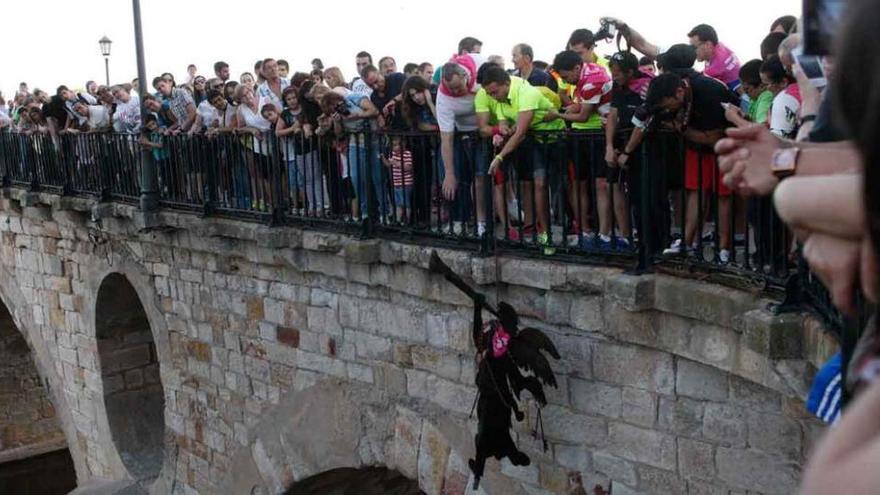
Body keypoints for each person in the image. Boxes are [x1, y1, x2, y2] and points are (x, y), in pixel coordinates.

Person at [644, 72, 737, 263]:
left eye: (666, 104)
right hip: (697, 148)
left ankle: (724, 249)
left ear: (679, 92)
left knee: (723, 196)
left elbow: (714, 137)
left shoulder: (710, 92)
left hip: (725, 146)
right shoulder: (681, 92)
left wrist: (680, 128)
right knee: (696, 192)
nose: (667, 109)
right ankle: (687, 243)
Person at [479, 66, 566, 246]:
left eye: (494, 92)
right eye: (489, 94)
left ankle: (579, 230)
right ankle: (545, 234)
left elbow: (519, 133)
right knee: (539, 184)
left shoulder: (526, 92)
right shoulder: (500, 96)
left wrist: (500, 157)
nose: (493, 97)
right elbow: (505, 124)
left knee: (566, 184)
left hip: (556, 138)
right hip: (535, 140)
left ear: (506, 83)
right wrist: (501, 131)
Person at [550, 49, 615, 248]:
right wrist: (574, 107)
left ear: (577, 68)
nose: (564, 80)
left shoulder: (590, 81)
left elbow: (583, 116)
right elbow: (582, 107)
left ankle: (604, 233)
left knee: (601, 185)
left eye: (565, 75)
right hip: (594, 134)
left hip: (602, 133)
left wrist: (558, 115)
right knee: (582, 183)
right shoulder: (588, 72)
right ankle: (587, 231)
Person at [436, 49, 489, 235]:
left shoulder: (480, 65)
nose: (456, 92)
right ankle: (460, 220)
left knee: (481, 177)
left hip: (485, 131)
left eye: (459, 87)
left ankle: (483, 222)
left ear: (466, 76)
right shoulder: (443, 98)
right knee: (457, 179)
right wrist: (449, 173)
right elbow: (446, 138)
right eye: (452, 89)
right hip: (461, 133)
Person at [688, 24, 742, 93]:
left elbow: (698, 79)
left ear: (707, 44)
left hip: (740, 95)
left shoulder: (716, 67)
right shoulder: (719, 46)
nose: (691, 51)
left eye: (694, 47)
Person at [761, 55, 800, 138]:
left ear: (783, 82)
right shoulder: (806, 87)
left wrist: (736, 119)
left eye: (766, 84)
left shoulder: (784, 100)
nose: (765, 89)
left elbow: (777, 141)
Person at [361, 65, 407, 130]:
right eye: (370, 85)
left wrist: (394, 101)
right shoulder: (373, 97)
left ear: (380, 73)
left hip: (414, 127)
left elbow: (412, 90)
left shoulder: (397, 78)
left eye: (376, 81)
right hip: (396, 132)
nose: (375, 87)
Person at [382, 135, 414, 222]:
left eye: (396, 145)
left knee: (406, 204)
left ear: (403, 144)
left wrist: (397, 163)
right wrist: (383, 159)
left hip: (406, 184)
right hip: (396, 184)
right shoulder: (392, 154)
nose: (394, 148)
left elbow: (408, 167)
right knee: (398, 203)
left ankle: (407, 219)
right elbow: (389, 164)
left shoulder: (407, 154)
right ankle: (398, 220)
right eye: (393, 145)